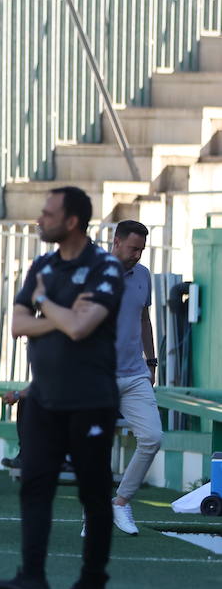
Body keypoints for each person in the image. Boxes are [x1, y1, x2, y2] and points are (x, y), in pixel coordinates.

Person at [0, 186, 124, 589]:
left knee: (93, 490)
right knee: (35, 487)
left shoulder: (104, 267)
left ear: (71, 222)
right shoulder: (43, 264)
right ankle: (32, 577)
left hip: (90, 400)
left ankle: (93, 584)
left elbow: (82, 328)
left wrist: (45, 304)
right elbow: (17, 323)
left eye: (48, 214)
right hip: (44, 400)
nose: (40, 220)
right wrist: (60, 315)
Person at [104, 219, 160, 537]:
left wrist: (151, 363)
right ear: (116, 242)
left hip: (136, 374)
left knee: (152, 437)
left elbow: (143, 318)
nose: (138, 255)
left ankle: (121, 502)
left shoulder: (143, 276)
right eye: (133, 248)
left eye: (142, 249)